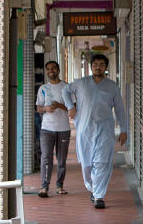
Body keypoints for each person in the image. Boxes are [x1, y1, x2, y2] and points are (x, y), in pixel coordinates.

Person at [63, 53, 127, 209]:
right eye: (95, 64)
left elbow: (119, 109)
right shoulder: (81, 83)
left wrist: (124, 130)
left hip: (105, 129)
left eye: (101, 64)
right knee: (86, 164)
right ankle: (91, 187)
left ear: (106, 68)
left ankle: (99, 196)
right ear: (91, 67)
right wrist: (70, 107)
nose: (98, 67)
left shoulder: (112, 86)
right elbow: (65, 91)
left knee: (102, 162)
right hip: (85, 129)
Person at [35, 61, 70, 198]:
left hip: (63, 129)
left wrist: (60, 106)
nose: (51, 71)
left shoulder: (66, 87)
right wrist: (46, 108)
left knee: (61, 159)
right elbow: (38, 108)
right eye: (48, 69)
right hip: (46, 129)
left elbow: (73, 108)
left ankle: (60, 185)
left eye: (53, 68)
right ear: (46, 71)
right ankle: (44, 187)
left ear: (58, 70)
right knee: (46, 158)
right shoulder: (43, 88)